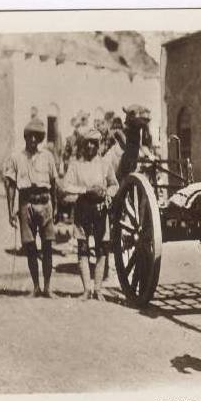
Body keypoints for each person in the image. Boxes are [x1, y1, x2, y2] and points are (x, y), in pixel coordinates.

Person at [62, 129, 119, 301]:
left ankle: (98, 288)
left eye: (93, 143)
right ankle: (87, 289)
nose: (90, 146)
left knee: (102, 248)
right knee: (83, 247)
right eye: (87, 143)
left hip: (100, 209)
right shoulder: (75, 164)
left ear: (98, 145)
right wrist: (85, 190)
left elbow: (114, 185)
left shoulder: (104, 164)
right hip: (83, 208)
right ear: (83, 145)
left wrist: (108, 195)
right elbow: (66, 186)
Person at [4, 118, 58, 298]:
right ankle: (36, 286)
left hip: (45, 203)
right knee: (30, 247)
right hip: (25, 203)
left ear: (40, 138)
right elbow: (10, 185)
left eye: (36, 136)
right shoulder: (16, 158)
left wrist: (55, 207)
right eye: (30, 136)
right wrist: (11, 210)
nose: (33, 140)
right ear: (25, 137)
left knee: (48, 245)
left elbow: (54, 183)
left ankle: (47, 287)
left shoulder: (48, 157)